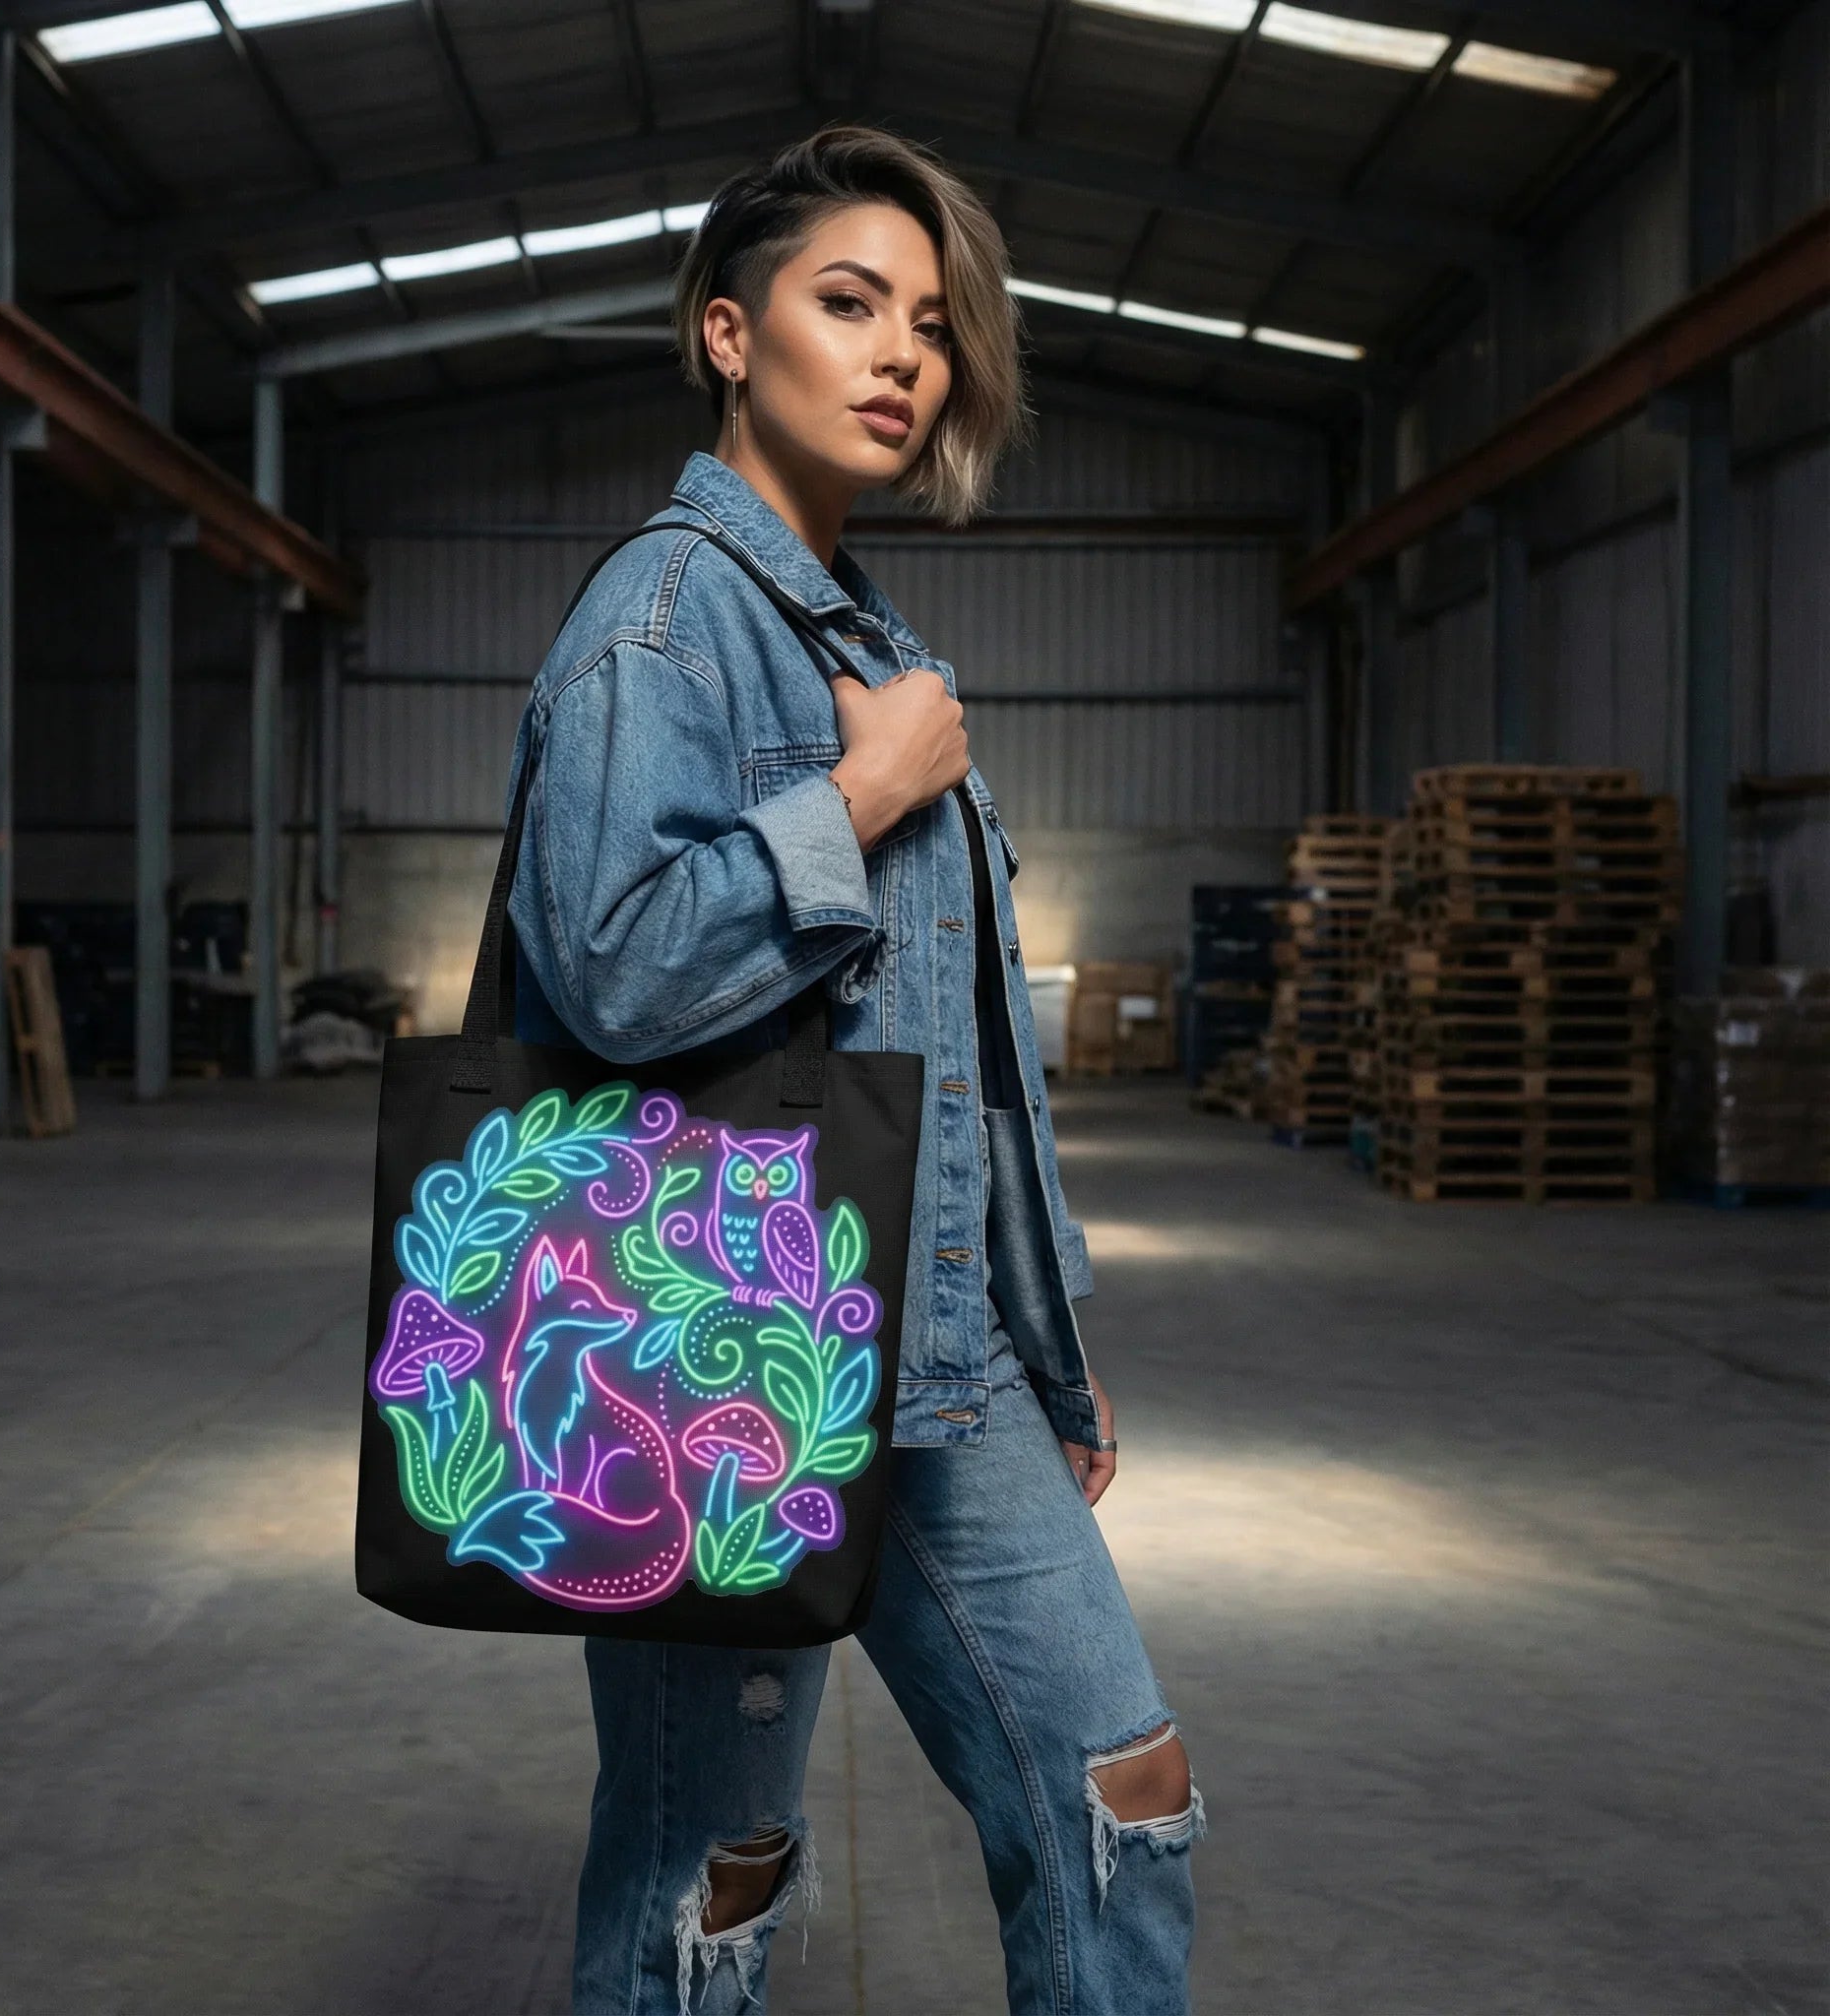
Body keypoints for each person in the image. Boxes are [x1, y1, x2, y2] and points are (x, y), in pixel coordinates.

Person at [502, 121, 1203, 2016]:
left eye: (930, 322)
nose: (905, 354)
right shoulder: (660, 625)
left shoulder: (865, 630)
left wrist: (1037, 1329)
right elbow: (618, 966)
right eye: (846, 304)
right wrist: (861, 796)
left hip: (940, 1360)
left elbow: (964, 1051)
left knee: (1123, 1794)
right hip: (719, 1354)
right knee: (711, 1876)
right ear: (730, 337)